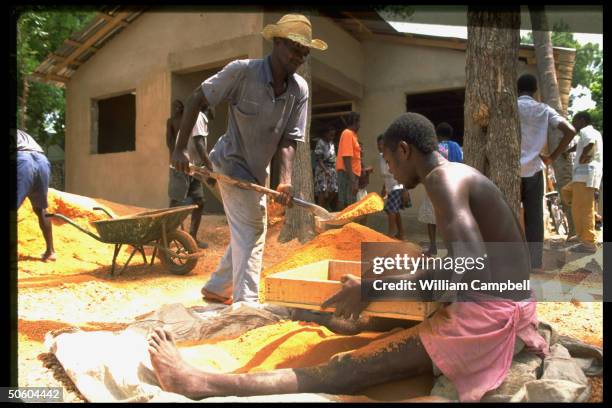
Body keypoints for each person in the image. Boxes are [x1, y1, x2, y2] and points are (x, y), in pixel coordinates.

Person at [147, 113, 547, 402]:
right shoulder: (457, 174)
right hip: (509, 302)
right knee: (371, 320)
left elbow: (470, 268)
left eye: (389, 160)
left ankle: (202, 384)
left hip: (489, 319)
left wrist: (374, 289)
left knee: (352, 367)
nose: (388, 169)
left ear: (404, 150)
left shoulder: (443, 180)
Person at [171, 14, 327, 304]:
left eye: (304, 52)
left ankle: (218, 287)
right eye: (294, 48)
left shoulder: (298, 90)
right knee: (253, 229)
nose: (299, 56)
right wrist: (180, 149)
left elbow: (288, 140)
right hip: (230, 162)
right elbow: (196, 98)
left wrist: (286, 180)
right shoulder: (242, 72)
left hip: (259, 168)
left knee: (250, 228)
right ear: (277, 42)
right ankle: (246, 305)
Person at [517, 73, 576, 272]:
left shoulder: (509, 107)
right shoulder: (543, 109)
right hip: (534, 170)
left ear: (518, 89)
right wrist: (552, 156)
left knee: (508, 215)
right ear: (535, 90)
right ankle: (535, 263)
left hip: (511, 171)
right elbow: (570, 130)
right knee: (534, 218)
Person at [167, 99, 212, 249]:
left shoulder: (199, 118)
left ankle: (192, 238)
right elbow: (199, 144)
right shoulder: (198, 116)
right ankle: (166, 236)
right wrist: (210, 167)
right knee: (177, 202)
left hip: (194, 168)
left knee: (199, 202)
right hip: (182, 167)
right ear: (208, 107)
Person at [417, 123, 462, 256]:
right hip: (451, 186)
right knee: (449, 217)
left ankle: (433, 247)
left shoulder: (435, 146)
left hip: (435, 184)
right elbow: (460, 162)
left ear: (437, 134)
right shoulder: (456, 147)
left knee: (431, 218)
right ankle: (452, 249)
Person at [560, 111, 602, 253]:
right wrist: (568, 151)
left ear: (582, 120)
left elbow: (590, 144)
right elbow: (579, 145)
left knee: (582, 209)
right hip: (582, 177)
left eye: (575, 121)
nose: (573, 124)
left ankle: (588, 242)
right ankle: (589, 220)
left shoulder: (586, 131)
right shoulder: (592, 132)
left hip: (585, 176)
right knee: (566, 192)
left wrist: (584, 156)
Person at [16, 129, 55, 261]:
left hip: (21, 161)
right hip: (42, 160)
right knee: (41, 208)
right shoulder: (21, 133)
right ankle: (50, 252)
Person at [377, 134, 409, 240]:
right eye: (378, 144)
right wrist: (384, 188)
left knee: (390, 209)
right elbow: (386, 175)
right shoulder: (381, 157)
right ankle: (401, 233)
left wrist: (405, 190)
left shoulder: (394, 156)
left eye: (382, 144)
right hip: (389, 188)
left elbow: (402, 172)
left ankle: (391, 234)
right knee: (394, 210)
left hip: (398, 185)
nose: (380, 146)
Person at [336, 112, 362, 210]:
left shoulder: (353, 135)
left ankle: (347, 224)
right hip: (347, 174)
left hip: (351, 174)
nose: (360, 125)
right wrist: (353, 180)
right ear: (355, 122)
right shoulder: (347, 133)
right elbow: (346, 157)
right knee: (346, 204)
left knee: (350, 204)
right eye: (359, 122)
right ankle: (341, 225)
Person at [313, 125, 338, 210]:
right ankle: (320, 209)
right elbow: (319, 159)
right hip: (322, 169)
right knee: (322, 190)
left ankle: (326, 205)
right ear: (325, 134)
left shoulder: (331, 143)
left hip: (332, 168)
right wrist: (325, 170)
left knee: (334, 190)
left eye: (333, 135)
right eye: (330, 135)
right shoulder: (320, 142)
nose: (332, 137)